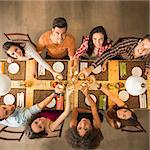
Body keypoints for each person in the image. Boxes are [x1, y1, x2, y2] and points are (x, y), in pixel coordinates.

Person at [80, 34, 150, 76]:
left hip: (126, 60)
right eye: (142, 45)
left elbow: (148, 57)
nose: (142, 50)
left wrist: (147, 67)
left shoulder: (147, 54)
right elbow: (109, 53)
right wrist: (90, 68)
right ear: (139, 42)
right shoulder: (126, 45)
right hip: (116, 55)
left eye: (147, 49)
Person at [65, 84, 103, 149]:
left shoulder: (72, 125)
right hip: (94, 114)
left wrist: (90, 111)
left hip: (87, 111)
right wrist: (86, 94)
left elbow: (75, 109)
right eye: (86, 128)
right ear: (92, 128)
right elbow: (94, 107)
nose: (83, 123)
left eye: (79, 128)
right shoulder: (97, 125)